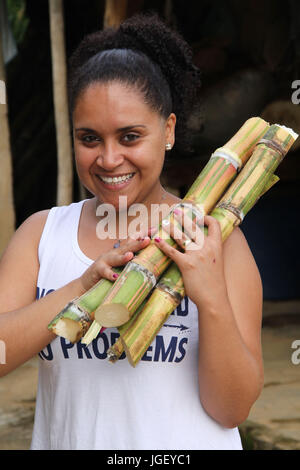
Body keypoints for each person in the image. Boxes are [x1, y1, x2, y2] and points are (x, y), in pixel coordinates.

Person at [0, 13, 264, 450]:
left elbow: (232, 409)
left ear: (169, 131)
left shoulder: (216, 238)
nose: (108, 159)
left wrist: (210, 297)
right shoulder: (41, 235)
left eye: (129, 136)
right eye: (89, 138)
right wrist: (82, 288)